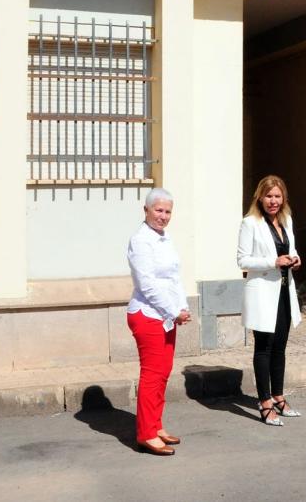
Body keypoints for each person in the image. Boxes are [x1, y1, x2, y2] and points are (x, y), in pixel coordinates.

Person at [126, 188, 191, 456]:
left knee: (163, 373)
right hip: (147, 314)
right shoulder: (140, 241)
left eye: (167, 211)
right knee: (152, 375)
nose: (163, 216)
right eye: (158, 210)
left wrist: (183, 304)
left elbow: (173, 277)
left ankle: (156, 425)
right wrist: (173, 310)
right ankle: (146, 434)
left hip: (165, 315)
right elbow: (148, 285)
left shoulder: (164, 238)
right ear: (146, 210)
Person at [238, 175, 303, 426]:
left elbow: (291, 249)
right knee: (263, 347)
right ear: (260, 198)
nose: (273, 201)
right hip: (263, 292)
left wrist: (295, 259)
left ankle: (279, 396)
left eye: (277, 196)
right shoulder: (250, 223)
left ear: (283, 198)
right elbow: (242, 260)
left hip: (285, 292)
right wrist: (272, 262)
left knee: (280, 347)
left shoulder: (286, 220)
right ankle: (264, 402)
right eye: (269, 196)